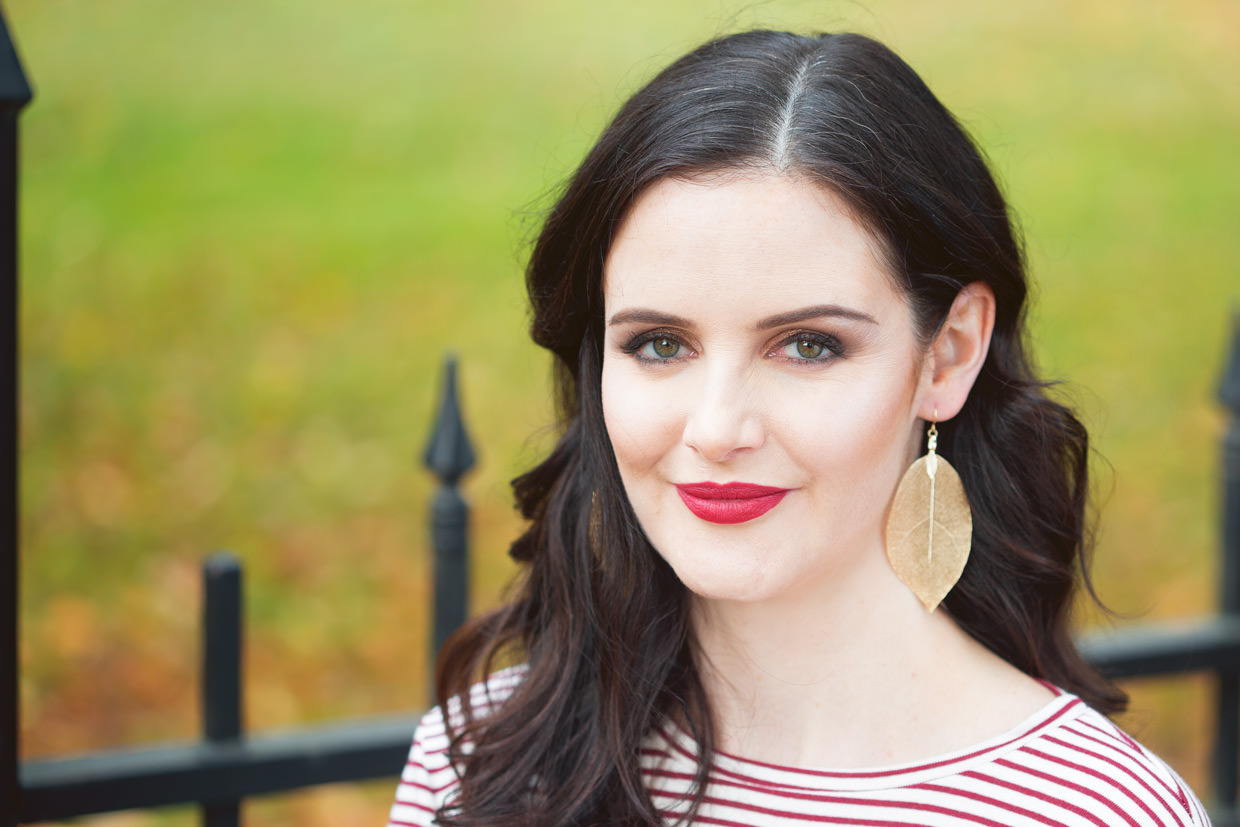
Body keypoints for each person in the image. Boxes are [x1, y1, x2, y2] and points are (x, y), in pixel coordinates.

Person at [388, 29, 1211, 826]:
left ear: (948, 355)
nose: (716, 429)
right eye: (659, 343)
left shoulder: (1094, 810)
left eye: (809, 346)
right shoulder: (483, 761)